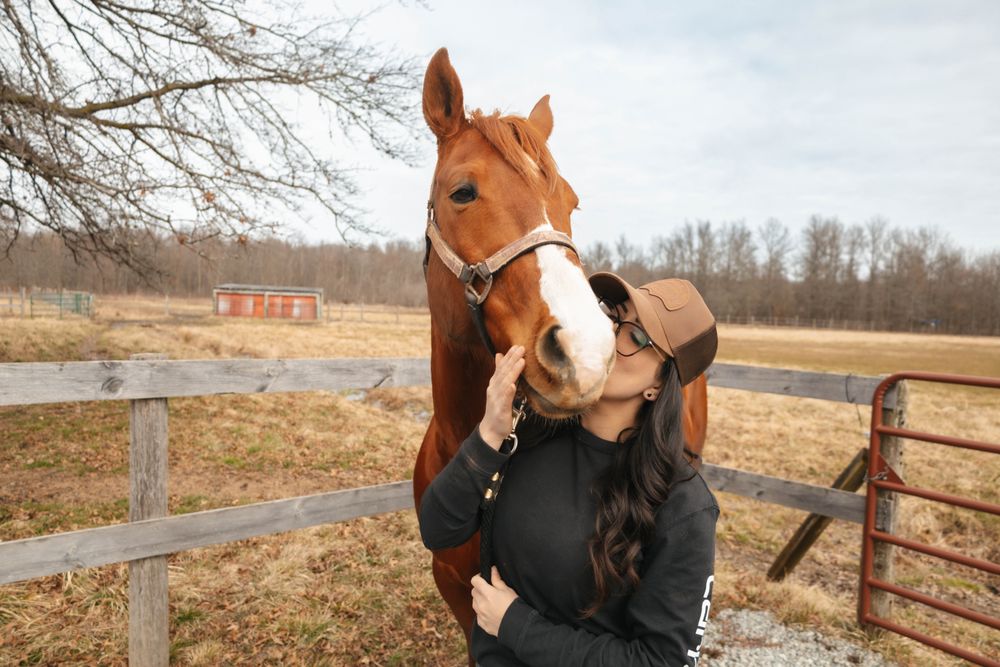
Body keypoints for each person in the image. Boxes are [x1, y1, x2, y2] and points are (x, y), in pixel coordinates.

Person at [419, 273, 719, 667]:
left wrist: (516, 626)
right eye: (612, 315)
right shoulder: (530, 434)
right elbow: (439, 531)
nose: (609, 332)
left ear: (659, 386)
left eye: (637, 337)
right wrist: (488, 436)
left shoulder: (682, 504)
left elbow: (661, 661)